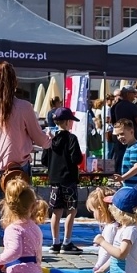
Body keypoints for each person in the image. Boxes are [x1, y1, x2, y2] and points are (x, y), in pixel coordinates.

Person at [0, 62, 51, 273]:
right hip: (17, 171)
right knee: (21, 220)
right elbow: (40, 138)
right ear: (15, 81)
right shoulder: (23, 106)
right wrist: (50, 139)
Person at [46, 108, 83, 254]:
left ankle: (55, 242)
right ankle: (67, 242)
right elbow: (76, 159)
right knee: (71, 210)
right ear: (67, 122)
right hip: (69, 179)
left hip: (55, 179)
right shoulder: (71, 138)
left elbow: (44, 160)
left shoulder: (51, 140)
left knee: (56, 211)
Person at [107, 84, 137, 173]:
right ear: (127, 94)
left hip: (118, 135)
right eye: (133, 93)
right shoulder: (132, 106)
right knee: (133, 156)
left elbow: (113, 121)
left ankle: (119, 174)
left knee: (119, 156)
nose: (134, 96)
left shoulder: (115, 106)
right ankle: (129, 174)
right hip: (132, 134)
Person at [115, 118, 137, 189]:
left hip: (135, 188)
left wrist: (122, 178)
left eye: (122, 134)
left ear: (131, 132)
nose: (119, 137)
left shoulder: (135, 148)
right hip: (132, 187)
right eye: (117, 135)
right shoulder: (131, 147)